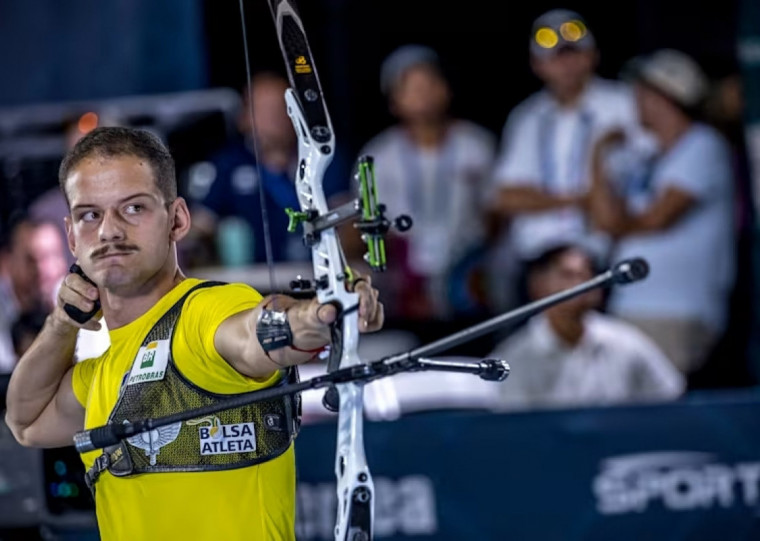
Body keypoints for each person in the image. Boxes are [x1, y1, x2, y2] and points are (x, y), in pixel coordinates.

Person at [4, 127, 384, 541]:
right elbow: (26, 421)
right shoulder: (104, 373)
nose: (110, 230)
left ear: (178, 219)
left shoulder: (204, 313)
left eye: (133, 209)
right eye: (90, 215)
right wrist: (63, 322)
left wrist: (317, 315)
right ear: (72, 236)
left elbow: (257, 331)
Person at [488, 8, 653, 311]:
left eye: (574, 53)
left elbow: (646, 177)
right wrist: (581, 199)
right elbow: (506, 197)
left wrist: (551, 199)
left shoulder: (623, 104)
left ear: (593, 55)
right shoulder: (527, 116)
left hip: (601, 253)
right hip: (538, 256)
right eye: (555, 57)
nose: (566, 64)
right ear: (537, 65)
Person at [589, 49, 736, 375]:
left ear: (664, 97)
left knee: (656, 413)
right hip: (633, 306)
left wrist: (618, 222)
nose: (636, 100)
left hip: (676, 310)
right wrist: (598, 154)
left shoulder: (703, 144)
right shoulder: (650, 157)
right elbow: (604, 221)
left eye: (643, 92)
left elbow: (656, 220)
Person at [355, 44, 497, 319]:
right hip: (406, 275)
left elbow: (495, 211)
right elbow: (367, 224)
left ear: (445, 88)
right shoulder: (378, 155)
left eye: (429, 83)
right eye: (410, 86)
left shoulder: (476, 145)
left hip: (468, 268)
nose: (422, 94)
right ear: (394, 100)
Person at [489, 243, 684, 410]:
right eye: (567, 275)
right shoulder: (512, 358)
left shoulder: (627, 342)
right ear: (538, 284)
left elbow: (670, 397)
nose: (579, 284)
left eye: (586, 275)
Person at [185, 71, 350, 268]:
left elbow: (347, 223)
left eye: (281, 109)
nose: (275, 119)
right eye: (263, 110)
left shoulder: (322, 156)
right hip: (251, 284)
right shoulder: (227, 165)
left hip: (318, 274)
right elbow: (199, 229)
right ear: (244, 118)